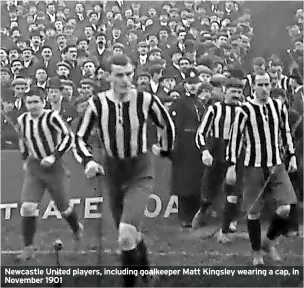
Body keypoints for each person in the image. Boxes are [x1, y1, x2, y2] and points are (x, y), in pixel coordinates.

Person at [74, 54, 175, 287]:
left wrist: (166, 149)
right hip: (112, 171)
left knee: (126, 234)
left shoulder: (145, 100)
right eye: (119, 75)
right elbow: (78, 138)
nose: (125, 79)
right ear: (108, 76)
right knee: (129, 233)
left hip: (140, 169)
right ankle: (148, 273)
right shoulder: (97, 103)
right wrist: (88, 161)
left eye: (129, 74)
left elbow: (166, 124)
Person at [226, 73, 298, 266]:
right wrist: (232, 165)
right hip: (253, 166)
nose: (264, 88)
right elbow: (235, 138)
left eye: (267, 84)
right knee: (253, 212)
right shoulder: (244, 110)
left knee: (285, 208)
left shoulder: (278, 106)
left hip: (277, 164)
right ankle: (256, 252)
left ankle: (268, 241)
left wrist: (291, 156)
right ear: (253, 87)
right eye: (260, 84)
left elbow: (285, 132)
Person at [16, 86, 83, 261]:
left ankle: (76, 228)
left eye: (36, 102)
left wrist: (54, 157)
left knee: (64, 208)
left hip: (54, 168)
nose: (32, 106)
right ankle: (28, 248)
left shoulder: (52, 117)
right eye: (29, 102)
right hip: (34, 167)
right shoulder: (23, 119)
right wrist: (25, 160)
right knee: (28, 207)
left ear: (43, 102)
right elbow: (22, 140)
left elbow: (68, 137)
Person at [192, 78, 245, 244]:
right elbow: (201, 133)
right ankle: (203, 210)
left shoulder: (245, 110)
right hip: (217, 148)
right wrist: (205, 151)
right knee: (209, 185)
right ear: (225, 91)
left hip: (236, 151)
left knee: (235, 187)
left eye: (239, 92)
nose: (236, 95)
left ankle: (231, 220)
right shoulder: (215, 109)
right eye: (232, 91)